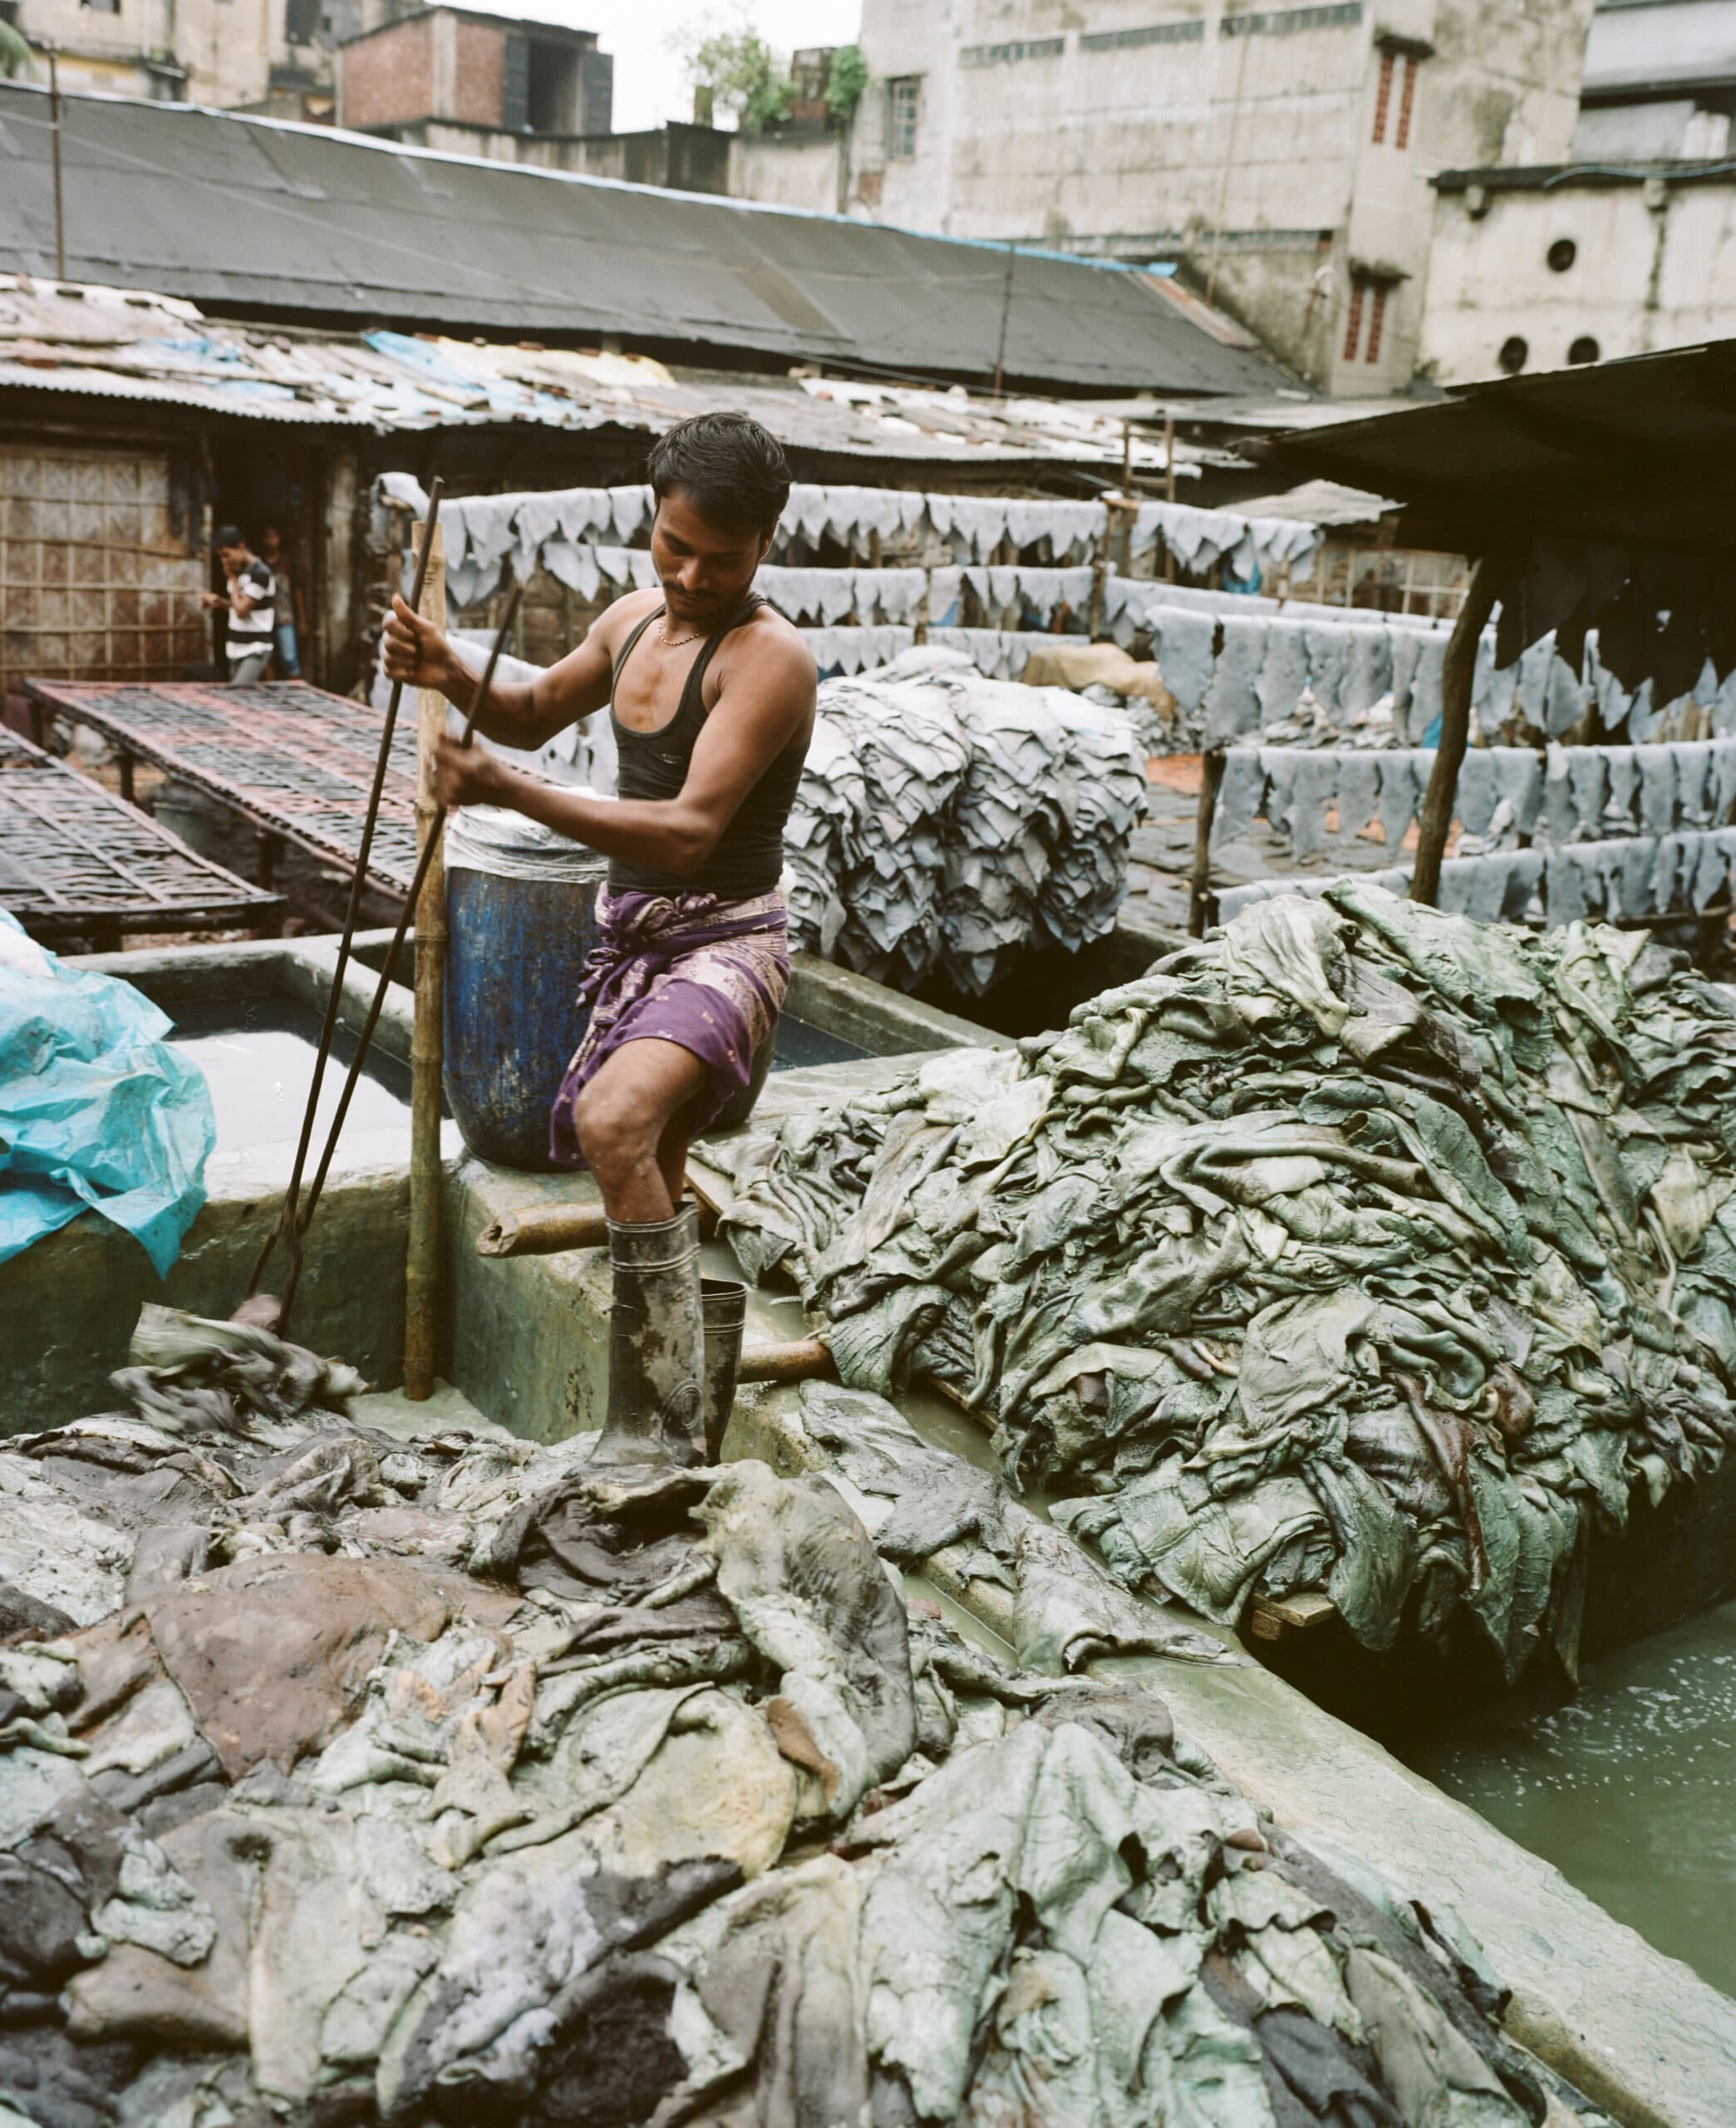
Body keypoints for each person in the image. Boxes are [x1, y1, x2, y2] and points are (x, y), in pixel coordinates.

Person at [381, 412, 815, 1468]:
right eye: (674, 546)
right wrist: (444, 665)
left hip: (726, 940)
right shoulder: (631, 620)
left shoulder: (768, 661)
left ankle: (655, 1438)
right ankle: (675, 1430)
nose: (693, 575)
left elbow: (689, 832)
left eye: (722, 558)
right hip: (636, 942)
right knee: (648, 1178)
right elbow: (528, 711)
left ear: (766, 543)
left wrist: (509, 789)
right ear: (651, 520)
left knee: (617, 1123)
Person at [200, 525, 275, 682]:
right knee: (241, 699)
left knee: (238, 691)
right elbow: (238, 604)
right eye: (221, 557)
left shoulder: (260, 573)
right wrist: (219, 602)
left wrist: (232, 579)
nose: (224, 561)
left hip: (255, 647)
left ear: (241, 547)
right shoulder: (239, 570)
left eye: (227, 555)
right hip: (236, 647)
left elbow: (241, 611)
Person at [259, 523, 306, 678]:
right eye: (267, 537)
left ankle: (298, 692)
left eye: (274, 536)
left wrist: (302, 619)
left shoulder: (287, 562)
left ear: (279, 539)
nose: (271, 541)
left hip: (285, 617)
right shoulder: (259, 564)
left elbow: (297, 591)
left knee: (290, 658)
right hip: (263, 618)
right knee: (266, 658)